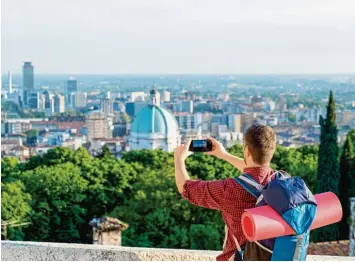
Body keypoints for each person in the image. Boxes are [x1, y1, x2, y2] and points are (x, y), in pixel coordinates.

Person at [174, 124, 277, 261]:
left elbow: (185, 188)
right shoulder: (280, 180)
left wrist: (179, 159)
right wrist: (224, 155)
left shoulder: (231, 190)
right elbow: (256, 171)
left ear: (246, 151)